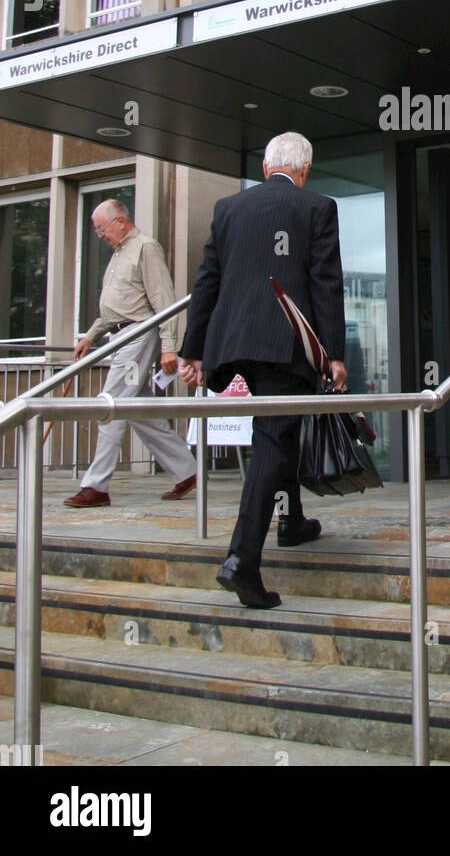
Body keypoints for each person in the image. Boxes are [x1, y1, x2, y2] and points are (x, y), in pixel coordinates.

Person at [178, 131, 346, 609]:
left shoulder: (229, 209)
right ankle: (242, 559)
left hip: (234, 344)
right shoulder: (317, 207)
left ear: (268, 164)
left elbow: (206, 280)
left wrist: (194, 350)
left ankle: (290, 519)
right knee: (275, 436)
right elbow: (325, 283)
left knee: (277, 430)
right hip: (285, 343)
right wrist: (333, 353)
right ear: (304, 169)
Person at [64, 199, 197, 508]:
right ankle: (186, 470)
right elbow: (113, 308)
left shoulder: (145, 248)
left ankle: (96, 486)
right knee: (137, 410)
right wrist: (90, 335)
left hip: (138, 335)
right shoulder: (120, 253)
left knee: (110, 403)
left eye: (101, 228)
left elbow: (164, 300)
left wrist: (168, 347)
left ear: (120, 221)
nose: (99, 234)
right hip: (121, 335)